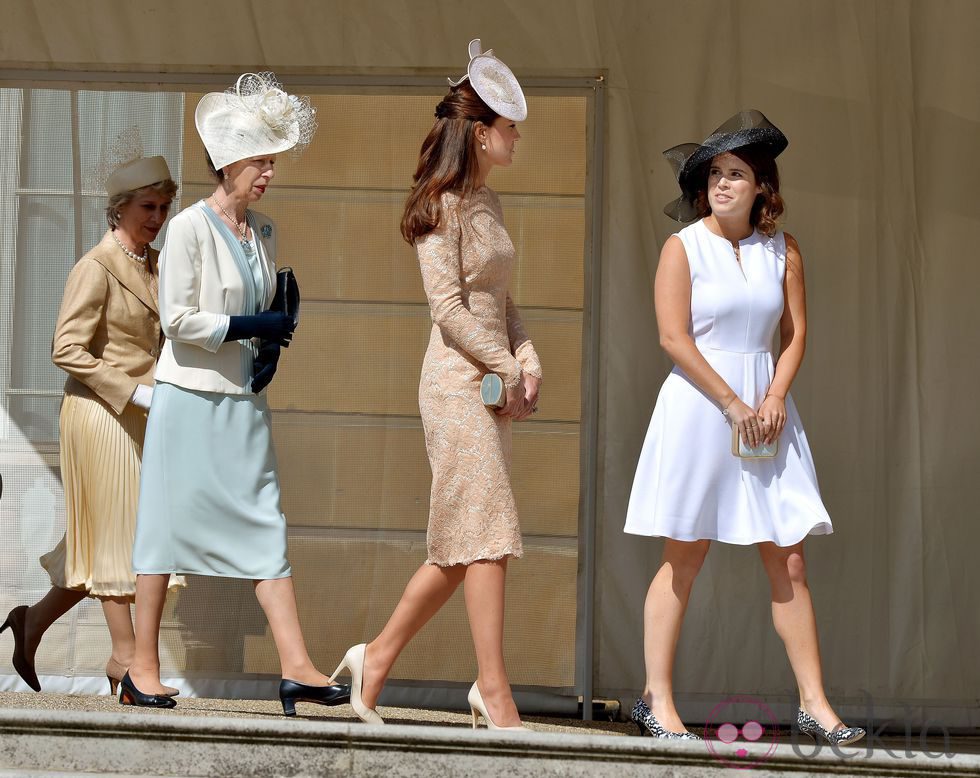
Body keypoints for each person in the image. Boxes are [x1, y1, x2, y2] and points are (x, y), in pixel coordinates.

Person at [623, 110, 865, 746]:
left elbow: (796, 333)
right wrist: (733, 402)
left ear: (763, 185)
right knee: (686, 551)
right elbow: (673, 338)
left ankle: (815, 703)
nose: (723, 184)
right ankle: (657, 700)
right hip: (703, 409)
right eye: (714, 174)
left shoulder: (784, 251)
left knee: (788, 556)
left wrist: (776, 394)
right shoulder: (683, 247)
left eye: (737, 173)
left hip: (766, 416)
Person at [330, 40, 542, 729]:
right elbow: (447, 311)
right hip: (455, 384)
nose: (515, 137)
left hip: (491, 383)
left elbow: (501, 302)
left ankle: (376, 659)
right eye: (508, 127)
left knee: (465, 541)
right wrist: (506, 367)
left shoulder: (491, 205)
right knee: (485, 533)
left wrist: (527, 355)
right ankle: (493, 688)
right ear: (481, 133)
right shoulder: (440, 204)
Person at [124, 72, 349, 715]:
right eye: (260, 161)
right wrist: (250, 327)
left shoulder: (266, 231)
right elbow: (177, 320)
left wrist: (270, 344)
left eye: (273, 162)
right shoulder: (191, 228)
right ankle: (141, 669)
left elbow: (263, 308)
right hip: (188, 399)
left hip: (243, 403)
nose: (269, 173)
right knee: (163, 531)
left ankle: (297, 667)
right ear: (228, 162)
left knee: (265, 525)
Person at [1, 156, 181, 697]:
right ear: (119, 208)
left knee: (101, 538)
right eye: (147, 207)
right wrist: (133, 391)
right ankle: (125, 659)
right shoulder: (96, 265)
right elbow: (66, 348)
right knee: (119, 537)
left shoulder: (156, 264)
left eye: (163, 207)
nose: (157, 217)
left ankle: (31, 622)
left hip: (143, 414)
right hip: (99, 414)